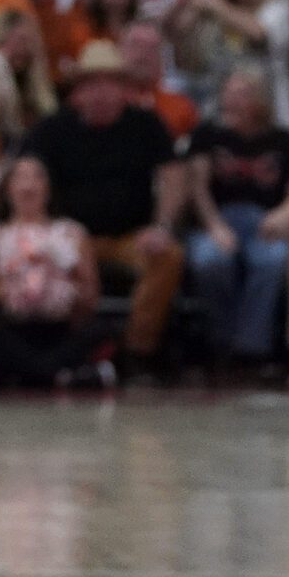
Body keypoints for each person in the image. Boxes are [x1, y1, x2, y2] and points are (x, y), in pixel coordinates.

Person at [23, 40, 189, 369]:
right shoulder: (52, 130)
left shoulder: (146, 125)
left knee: (168, 257)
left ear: (123, 89)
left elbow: (174, 175)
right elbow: (28, 176)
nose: (100, 92)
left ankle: (135, 352)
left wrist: (162, 226)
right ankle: (60, 353)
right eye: (91, 84)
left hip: (131, 236)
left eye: (109, 83)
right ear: (78, 91)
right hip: (67, 238)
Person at [183, 64, 289, 366]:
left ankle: (250, 348)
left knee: (274, 261)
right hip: (217, 219)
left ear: (260, 100)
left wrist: (283, 215)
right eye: (228, 93)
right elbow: (196, 188)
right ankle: (221, 339)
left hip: (264, 222)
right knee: (209, 261)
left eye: (241, 94)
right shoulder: (207, 135)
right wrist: (214, 226)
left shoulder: (285, 140)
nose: (232, 100)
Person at [0, 155, 107, 388]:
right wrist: (11, 284)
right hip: (11, 329)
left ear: (48, 188)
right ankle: (51, 372)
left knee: (101, 328)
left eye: (37, 177)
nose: (28, 186)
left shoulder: (72, 233)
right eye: (20, 177)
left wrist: (59, 283)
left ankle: (34, 371)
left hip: (59, 328)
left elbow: (91, 297)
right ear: (8, 189)